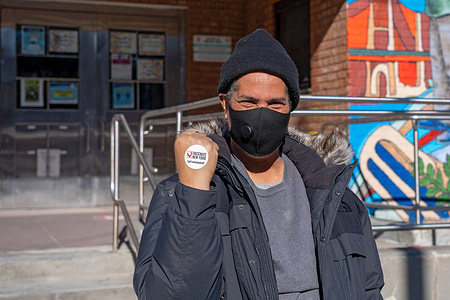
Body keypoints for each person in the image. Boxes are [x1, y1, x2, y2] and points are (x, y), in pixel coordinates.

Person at [134, 28, 384, 300]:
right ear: (226, 106)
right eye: (249, 102)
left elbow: (368, 289)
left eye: (275, 103)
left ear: (290, 110)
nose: (262, 114)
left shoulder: (335, 195)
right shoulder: (182, 193)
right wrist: (194, 189)